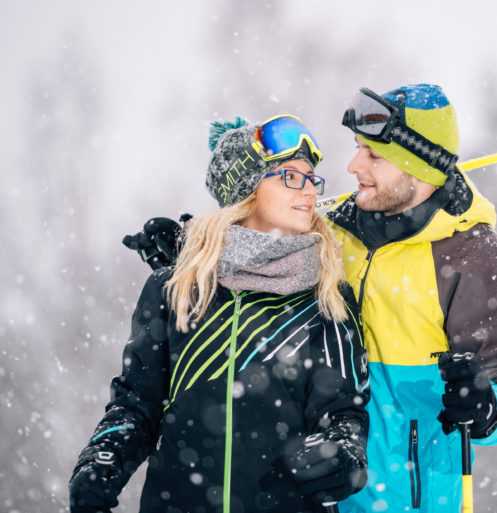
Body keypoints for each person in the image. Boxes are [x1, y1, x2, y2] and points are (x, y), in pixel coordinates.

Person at [124, 84, 497, 512]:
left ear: (420, 168)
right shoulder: (333, 235)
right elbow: (258, 239)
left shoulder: (469, 253)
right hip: (323, 493)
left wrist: (486, 408)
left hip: (413, 499)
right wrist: (192, 246)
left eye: (374, 155)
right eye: (358, 148)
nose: (354, 165)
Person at [70, 115, 370, 513]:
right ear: (247, 191)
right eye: (291, 177)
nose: (309, 191)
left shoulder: (326, 296)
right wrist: (103, 456)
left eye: (311, 178)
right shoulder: (173, 289)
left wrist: (344, 452)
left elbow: (342, 412)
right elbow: (136, 405)